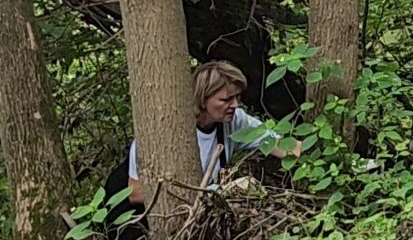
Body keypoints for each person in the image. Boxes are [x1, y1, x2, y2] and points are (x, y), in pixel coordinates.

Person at [124, 61, 300, 206]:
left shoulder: (235, 120)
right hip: (134, 216)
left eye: (237, 98)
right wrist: (218, 191)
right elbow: (135, 193)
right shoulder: (163, 131)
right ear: (203, 98)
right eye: (225, 100)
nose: (235, 105)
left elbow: (280, 145)